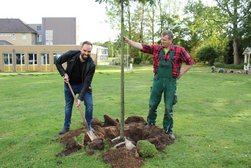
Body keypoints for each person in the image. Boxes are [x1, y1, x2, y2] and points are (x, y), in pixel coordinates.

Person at [124, 30, 194, 140]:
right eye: (161, 39)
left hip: (171, 82)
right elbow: (142, 46)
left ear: (170, 40)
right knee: (153, 104)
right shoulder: (156, 49)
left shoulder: (179, 50)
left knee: (168, 107)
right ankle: (150, 123)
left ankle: (168, 130)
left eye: (164, 40)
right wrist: (129, 41)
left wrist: (180, 74)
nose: (162, 41)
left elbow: (190, 62)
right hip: (158, 80)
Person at [56, 41, 96, 135]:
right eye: (84, 50)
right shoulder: (71, 54)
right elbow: (57, 62)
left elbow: (87, 82)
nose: (86, 53)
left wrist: (80, 98)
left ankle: (88, 127)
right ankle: (66, 127)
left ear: (91, 52)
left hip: (83, 86)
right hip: (69, 85)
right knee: (68, 107)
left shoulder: (91, 65)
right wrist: (64, 74)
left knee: (89, 105)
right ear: (81, 49)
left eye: (88, 51)